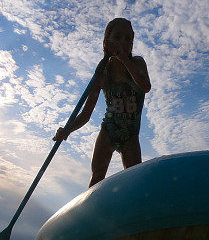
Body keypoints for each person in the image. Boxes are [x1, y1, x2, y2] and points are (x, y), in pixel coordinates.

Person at [54, 18, 151, 187]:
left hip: (130, 135)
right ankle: (93, 211)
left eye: (128, 39)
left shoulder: (137, 63)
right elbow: (86, 114)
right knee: (97, 178)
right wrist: (67, 130)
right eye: (118, 37)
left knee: (135, 179)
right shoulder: (102, 73)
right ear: (107, 41)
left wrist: (125, 60)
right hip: (108, 131)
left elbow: (145, 86)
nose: (123, 42)